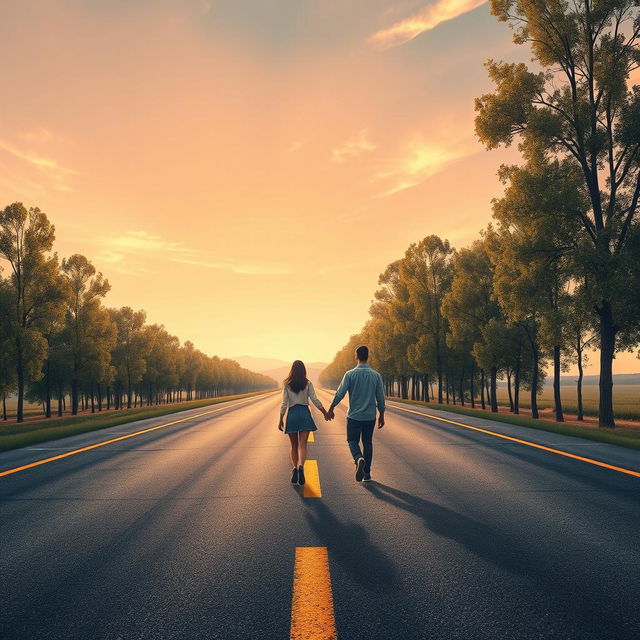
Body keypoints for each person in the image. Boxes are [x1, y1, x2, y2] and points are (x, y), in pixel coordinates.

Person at [326, 345, 385, 482]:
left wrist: (331, 408)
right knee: (367, 442)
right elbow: (380, 398)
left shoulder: (349, 374)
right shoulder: (376, 375)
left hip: (354, 416)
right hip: (370, 416)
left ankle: (358, 458)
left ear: (356, 356)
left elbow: (340, 393)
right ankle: (367, 473)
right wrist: (381, 414)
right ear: (368, 356)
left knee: (352, 440)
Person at [279, 360, 328, 485]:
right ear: (303, 370)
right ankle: (301, 466)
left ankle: (294, 468)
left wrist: (280, 419)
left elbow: (284, 403)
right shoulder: (308, 383)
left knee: (293, 446)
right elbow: (314, 399)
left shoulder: (286, 384)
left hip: (292, 414)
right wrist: (325, 412)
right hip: (305, 413)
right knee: (303, 445)